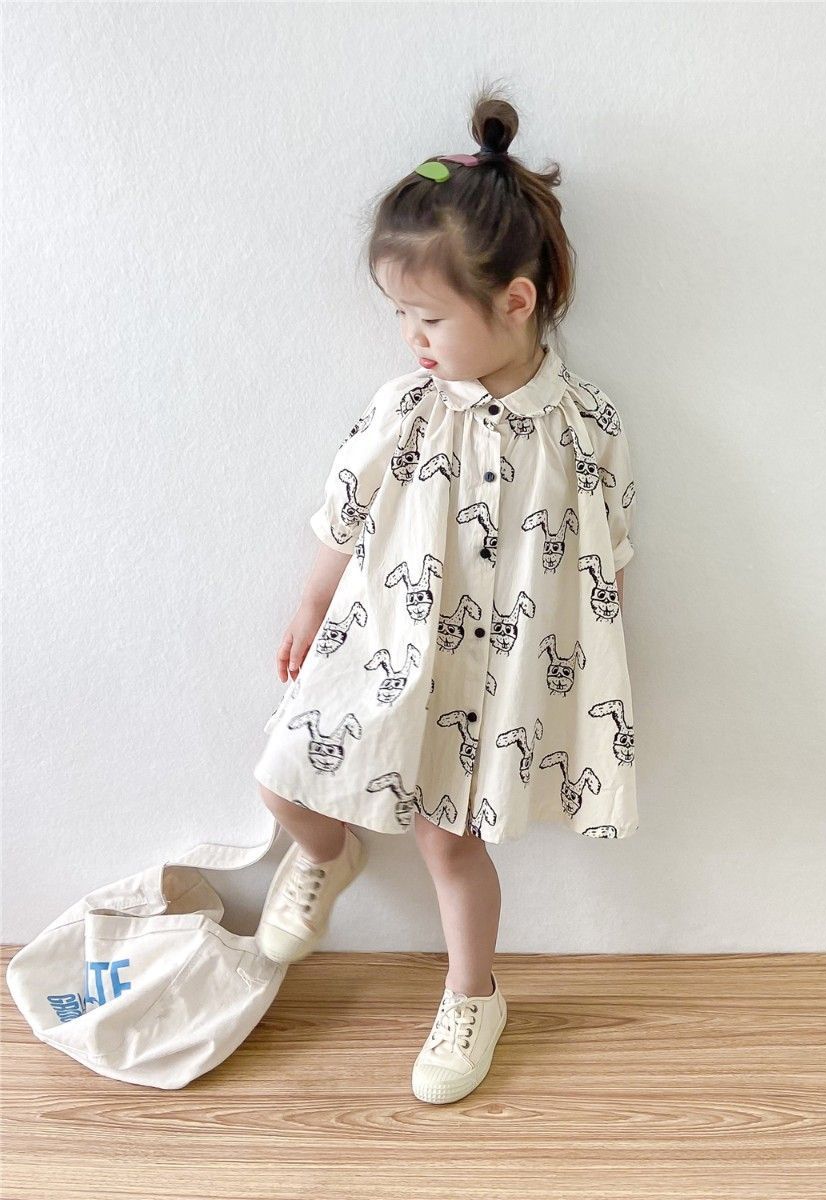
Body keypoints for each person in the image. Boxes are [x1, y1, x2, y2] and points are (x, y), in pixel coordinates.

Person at [249, 86, 639, 1105]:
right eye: (400, 316)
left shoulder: (585, 426)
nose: (410, 338)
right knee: (282, 778)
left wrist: (587, 670)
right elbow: (343, 510)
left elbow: (607, 558)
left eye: (427, 318)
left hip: (494, 673)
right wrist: (309, 608)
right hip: (385, 640)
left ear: (515, 302)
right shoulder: (406, 408)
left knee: (447, 840)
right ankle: (326, 856)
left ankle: (474, 995)